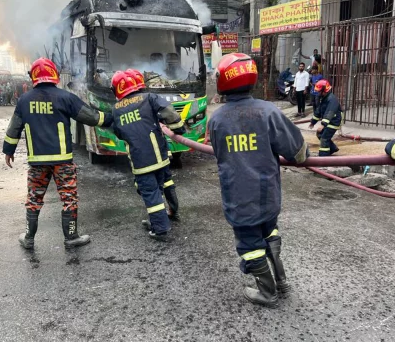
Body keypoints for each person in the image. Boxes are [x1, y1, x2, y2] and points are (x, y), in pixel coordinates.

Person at [208, 53, 308, 307]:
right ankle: (281, 283)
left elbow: (221, 157)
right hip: (268, 194)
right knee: (269, 231)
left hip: (240, 198)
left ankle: (268, 292)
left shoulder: (217, 120)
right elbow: (298, 152)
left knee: (250, 244)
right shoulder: (269, 112)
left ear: (224, 81)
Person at [3, 58, 112, 249]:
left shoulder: (24, 100)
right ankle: (71, 237)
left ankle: (29, 238)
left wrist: (8, 151)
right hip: (62, 161)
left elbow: (14, 130)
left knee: (34, 199)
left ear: (33, 76)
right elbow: (92, 118)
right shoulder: (65, 97)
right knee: (69, 198)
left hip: (37, 162)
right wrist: (112, 117)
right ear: (55, 75)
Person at [110, 70, 185, 240]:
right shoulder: (149, 97)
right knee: (159, 188)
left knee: (150, 193)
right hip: (160, 157)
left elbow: (119, 133)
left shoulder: (115, 110)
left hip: (140, 162)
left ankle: (160, 229)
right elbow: (170, 113)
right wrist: (178, 129)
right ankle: (163, 217)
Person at [126, 68, 181, 221]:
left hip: (147, 155)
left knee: (150, 187)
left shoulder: (134, 104)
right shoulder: (149, 99)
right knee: (167, 179)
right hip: (161, 150)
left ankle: (159, 221)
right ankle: (173, 210)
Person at [309, 79, 343, 156]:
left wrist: (323, 124)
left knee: (324, 138)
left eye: (319, 91)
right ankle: (332, 148)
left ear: (324, 90)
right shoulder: (324, 98)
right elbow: (318, 111)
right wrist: (313, 122)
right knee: (320, 134)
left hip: (334, 121)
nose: (318, 93)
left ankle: (323, 156)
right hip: (329, 121)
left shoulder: (332, 99)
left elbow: (330, 112)